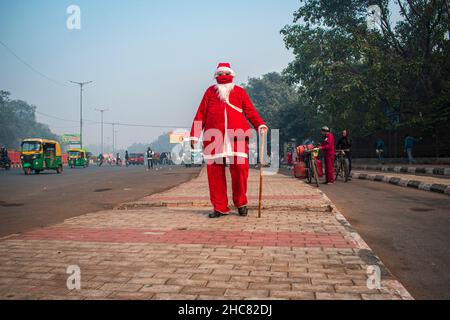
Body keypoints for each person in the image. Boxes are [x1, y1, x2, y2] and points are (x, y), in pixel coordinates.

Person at [190, 63, 268, 219]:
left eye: (226, 73)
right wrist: (194, 135)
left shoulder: (239, 91)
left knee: (240, 170)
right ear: (216, 76)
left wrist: (260, 124)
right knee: (215, 174)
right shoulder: (210, 92)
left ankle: (241, 203)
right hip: (214, 138)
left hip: (237, 137)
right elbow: (200, 114)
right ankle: (220, 207)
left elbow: (250, 111)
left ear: (231, 74)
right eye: (220, 74)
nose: (223, 76)